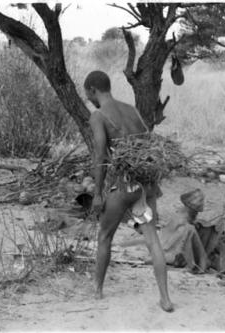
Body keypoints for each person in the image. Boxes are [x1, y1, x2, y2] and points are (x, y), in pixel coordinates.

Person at [86, 70, 173, 312]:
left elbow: (101, 155)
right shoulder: (132, 111)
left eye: (88, 95)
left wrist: (98, 193)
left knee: (105, 236)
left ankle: (97, 291)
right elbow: (148, 142)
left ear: (93, 90)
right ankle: (165, 298)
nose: (89, 100)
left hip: (122, 185)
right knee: (153, 240)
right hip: (145, 185)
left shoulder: (99, 116)